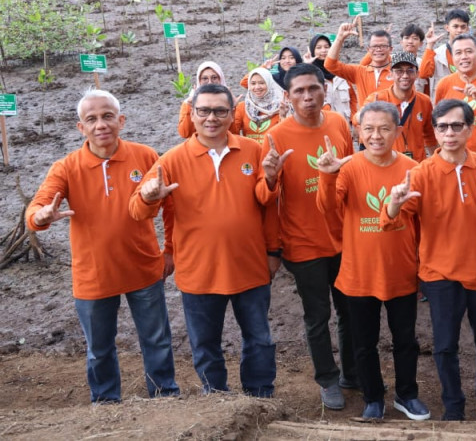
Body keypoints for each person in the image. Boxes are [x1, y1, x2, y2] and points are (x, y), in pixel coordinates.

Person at [27, 90, 178, 404]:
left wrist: (170, 250)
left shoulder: (146, 156)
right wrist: (41, 216)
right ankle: (106, 402)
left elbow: (171, 206)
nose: (101, 125)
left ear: (121, 120)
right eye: (91, 119)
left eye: (108, 116)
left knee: (157, 340)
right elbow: (36, 211)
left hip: (144, 268)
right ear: (80, 128)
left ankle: (165, 397)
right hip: (93, 276)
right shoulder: (66, 168)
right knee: (99, 348)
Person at [130, 84, 277, 398]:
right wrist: (147, 197)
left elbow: (268, 203)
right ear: (192, 115)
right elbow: (137, 210)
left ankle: (260, 394)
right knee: (205, 343)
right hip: (198, 271)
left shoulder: (253, 150)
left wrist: (273, 249)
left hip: (249, 266)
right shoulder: (170, 161)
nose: (212, 118)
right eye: (204, 111)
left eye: (220, 111)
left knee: (259, 339)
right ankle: (217, 396)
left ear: (231, 114)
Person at [383, 99, 476, 422]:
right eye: (442, 126)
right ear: (435, 131)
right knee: (445, 347)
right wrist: (393, 204)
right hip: (440, 276)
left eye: (456, 126)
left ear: (469, 128)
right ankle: (454, 407)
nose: (449, 133)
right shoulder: (421, 173)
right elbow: (393, 219)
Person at [314, 101, 429, 423]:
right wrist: (326, 175)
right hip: (358, 273)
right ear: (358, 131)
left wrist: (422, 264)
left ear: (398, 131)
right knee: (363, 343)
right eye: (368, 129)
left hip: (401, 271)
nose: (376, 135)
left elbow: (419, 221)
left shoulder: (413, 169)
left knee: (405, 340)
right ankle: (373, 398)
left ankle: (407, 394)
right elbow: (326, 207)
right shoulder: (349, 168)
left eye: (384, 128)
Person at [255, 63, 356, 410]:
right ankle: (327, 378)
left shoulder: (339, 123)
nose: (307, 96)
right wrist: (268, 178)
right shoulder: (277, 137)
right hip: (302, 244)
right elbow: (265, 198)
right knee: (317, 315)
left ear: (324, 90)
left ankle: (352, 371)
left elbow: (351, 176)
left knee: (350, 310)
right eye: (298, 91)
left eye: (313, 88)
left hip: (344, 239)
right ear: (287, 96)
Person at [364, 52, 436, 161]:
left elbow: (430, 136)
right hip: (387, 165)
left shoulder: (424, 101)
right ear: (390, 74)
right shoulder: (377, 99)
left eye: (410, 71)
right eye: (399, 71)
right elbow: (358, 123)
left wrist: (436, 160)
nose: (405, 75)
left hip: (417, 166)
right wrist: (365, 114)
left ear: (417, 74)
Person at [324, 21, 394, 111]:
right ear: (368, 49)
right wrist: (339, 38)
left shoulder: (398, 74)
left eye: (383, 46)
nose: (378, 49)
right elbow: (330, 65)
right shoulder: (359, 72)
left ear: (391, 49)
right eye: (375, 46)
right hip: (365, 123)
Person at [420, 8, 471, 100]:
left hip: (466, 101)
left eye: (463, 27)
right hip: (443, 103)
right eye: (455, 26)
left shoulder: (474, 52)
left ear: (467, 29)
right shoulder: (437, 54)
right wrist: (430, 45)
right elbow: (424, 74)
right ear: (447, 28)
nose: (459, 30)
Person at [177, 61, 232, 139]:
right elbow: (185, 133)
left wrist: (232, 108)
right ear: (199, 81)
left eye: (214, 77)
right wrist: (191, 107)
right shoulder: (188, 103)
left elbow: (233, 132)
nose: (210, 82)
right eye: (205, 78)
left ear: (221, 79)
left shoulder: (228, 101)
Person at [308, 33, 354, 122]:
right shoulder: (311, 75)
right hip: (325, 126)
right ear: (312, 51)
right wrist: (307, 65)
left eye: (326, 47)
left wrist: (354, 121)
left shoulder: (341, 72)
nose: (323, 50)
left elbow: (353, 99)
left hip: (346, 125)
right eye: (319, 48)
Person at [236, 67, 284, 144]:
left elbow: (284, 135)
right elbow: (232, 133)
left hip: (273, 154)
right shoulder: (243, 107)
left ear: (269, 84)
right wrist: (230, 111)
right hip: (250, 154)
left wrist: (283, 116)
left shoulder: (280, 106)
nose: (257, 87)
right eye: (253, 83)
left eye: (261, 83)